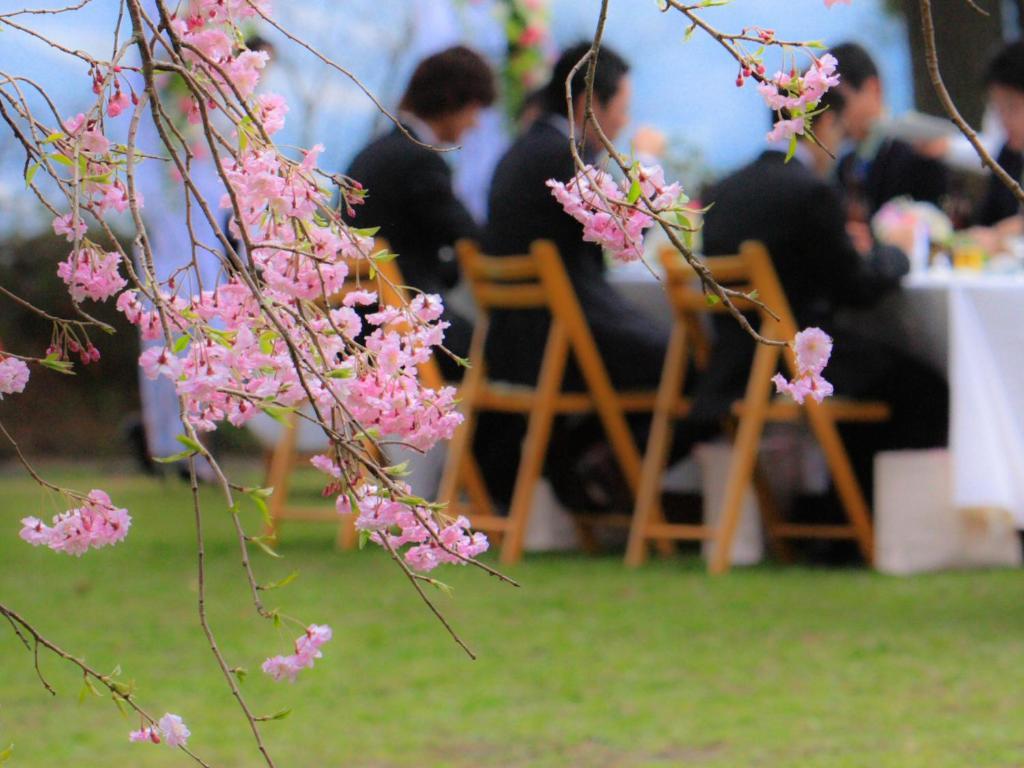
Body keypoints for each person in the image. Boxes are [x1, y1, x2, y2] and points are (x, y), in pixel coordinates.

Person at [693, 85, 948, 501]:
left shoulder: (723, 191)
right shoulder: (810, 192)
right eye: (840, 130)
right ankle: (866, 521)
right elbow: (858, 288)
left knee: (878, 372)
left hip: (734, 359)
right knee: (922, 386)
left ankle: (837, 520)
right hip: (796, 360)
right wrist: (898, 254)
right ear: (826, 123)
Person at [479, 42, 671, 507]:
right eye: (621, 110)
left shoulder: (517, 154)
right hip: (562, 339)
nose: (623, 123)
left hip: (511, 342)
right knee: (684, 360)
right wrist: (645, 174)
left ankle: (572, 468)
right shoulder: (565, 158)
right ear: (588, 104)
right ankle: (596, 468)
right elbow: (624, 240)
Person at [345, 45, 496, 379]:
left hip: (354, 326)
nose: (473, 124)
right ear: (454, 104)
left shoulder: (372, 152)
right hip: (399, 326)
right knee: (508, 353)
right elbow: (470, 233)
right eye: (474, 110)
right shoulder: (420, 160)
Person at [831, 42, 949, 220]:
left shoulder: (917, 152)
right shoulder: (845, 166)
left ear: (872, 88)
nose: (834, 113)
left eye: (839, 101)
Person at [974, 41, 1024, 242]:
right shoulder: (1008, 155)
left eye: (1012, 107)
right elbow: (984, 221)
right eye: (998, 109)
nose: (1004, 120)